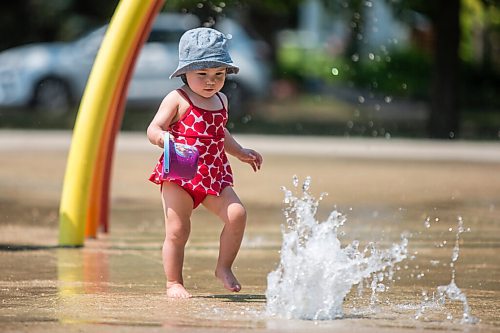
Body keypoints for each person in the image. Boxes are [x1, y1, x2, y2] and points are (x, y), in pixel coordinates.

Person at [147, 27, 263, 298]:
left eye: (218, 75)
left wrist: (240, 151)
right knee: (178, 230)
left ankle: (224, 267)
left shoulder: (221, 100)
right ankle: (173, 282)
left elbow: (219, 132)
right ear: (185, 72)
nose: (211, 82)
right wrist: (166, 140)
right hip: (180, 171)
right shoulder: (178, 99)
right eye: (202, 74)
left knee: (237, 214)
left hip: (213, 172)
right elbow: (153, 129)